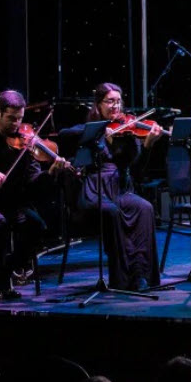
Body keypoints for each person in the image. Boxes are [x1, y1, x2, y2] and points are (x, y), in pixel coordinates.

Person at [0, 89, 71, 300]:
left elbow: (34, 181)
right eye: (11, 118)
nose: (16, 124)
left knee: (36, 226)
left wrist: (51, 173)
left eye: (20, 119)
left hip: (10, 200)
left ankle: (5, 272)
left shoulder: (26, 142)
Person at [68, 84, 163, 292]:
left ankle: (140, 274)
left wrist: (147, 145)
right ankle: (120, 279)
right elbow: (66, 133)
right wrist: (101, 133)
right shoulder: (91, 129)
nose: (116, 106)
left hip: (119, 188)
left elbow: (137, 173)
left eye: (118, 101)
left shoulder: (127, 133)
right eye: (110, 101)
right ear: (98, 104)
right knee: (112, 212)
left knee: (144, 207)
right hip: (94, 190)